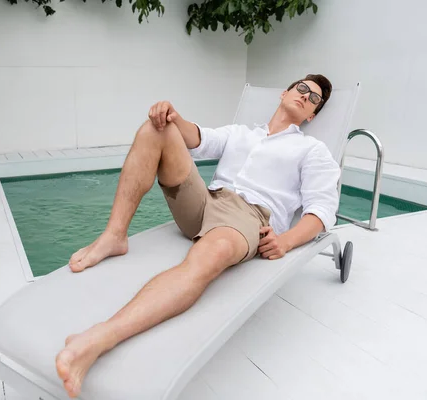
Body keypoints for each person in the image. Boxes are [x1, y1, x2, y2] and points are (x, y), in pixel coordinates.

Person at [55, 74, 341, 398]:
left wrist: (286, 241)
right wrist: (173, 117)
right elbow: (198, 138)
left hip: (246, 216)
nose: (305, 96)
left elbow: (322, 208)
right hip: (207, 199)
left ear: (312, 115)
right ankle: (114, 235)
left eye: (314, 98)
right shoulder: (242, 133)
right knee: (156, 129)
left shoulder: (312, 150)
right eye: (301, 88)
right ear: (285, 93)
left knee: (208, 258)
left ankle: (100, 337)